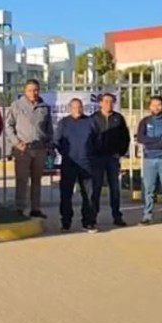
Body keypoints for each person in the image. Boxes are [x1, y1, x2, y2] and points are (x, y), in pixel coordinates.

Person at [4, 79, 53, 218]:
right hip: (23, 149)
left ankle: (35, 208)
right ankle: (20, 208)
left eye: (36, 90)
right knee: (22, 180)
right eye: (30, 90)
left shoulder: (44, 107)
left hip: (39, 148)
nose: (33, 93)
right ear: (25, 91)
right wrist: (16, 142)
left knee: (37, 180)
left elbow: (48, 128)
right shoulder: (17, 106)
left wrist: (49, 143)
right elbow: (8, 125)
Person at [54, 98, 99, 233]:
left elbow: (97, 140)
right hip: (69, 164)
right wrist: (64, 153)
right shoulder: (64, 123)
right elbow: (57, 140)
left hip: (87, 165)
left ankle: (88, 222)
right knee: (66, 195)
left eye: (79, 107)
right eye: (74, 107)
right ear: (70, 108)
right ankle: (66, 223)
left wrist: (92, 155)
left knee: (89, 195)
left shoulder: (90, 122)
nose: (77, 110)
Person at [136, 96, 162, 226]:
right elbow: (141, 138)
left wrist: (152, 141)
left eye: (159, 105)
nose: (156, 107)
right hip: (149, 159)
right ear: (149, 107)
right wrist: (158, 139)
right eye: (153, 105)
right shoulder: (144, 121)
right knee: (148, 189)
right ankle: (147, 215)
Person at [91, 93, 130, 227]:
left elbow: (125, 137)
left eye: (111, 101)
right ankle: (93, 216)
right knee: (95, 188)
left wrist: (120, 153)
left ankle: (117, 216)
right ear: (100, 103)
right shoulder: (93, 119)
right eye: (106, 101)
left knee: (114, 188)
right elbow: (88, 138)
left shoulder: (118, 118)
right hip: (97, 159)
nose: (109, 104)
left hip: (112, 158)